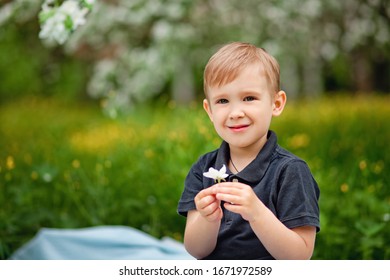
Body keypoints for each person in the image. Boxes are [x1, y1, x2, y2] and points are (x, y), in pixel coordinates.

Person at [177, 42, 320, 260]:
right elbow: (196, 250)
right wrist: (208, 219)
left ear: (276, 103)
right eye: (223, 101)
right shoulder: (204, 169)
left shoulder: (290, 171)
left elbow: (299, 257)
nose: (235, 112)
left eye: (249, 98)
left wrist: (257, 213)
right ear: (210, 111)